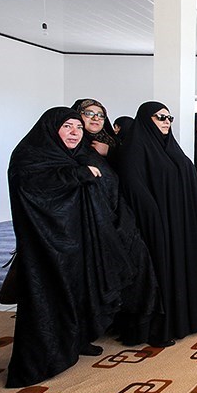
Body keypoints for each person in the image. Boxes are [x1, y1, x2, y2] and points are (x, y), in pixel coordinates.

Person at [6, 107, 139, 387]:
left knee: (79, 290)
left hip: (77, 240)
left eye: (78, 127)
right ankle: (41, 362)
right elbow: (34, 187)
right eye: (67, 126)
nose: (75, 132)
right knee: (48, 297)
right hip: (45, 244)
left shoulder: (73, 156)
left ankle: (76, 342)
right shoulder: (31, 155)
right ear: (51, 128)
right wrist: (77, 175)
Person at [116, 101, 197, 348]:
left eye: (169, 118)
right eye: (160, 117)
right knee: (162, 271)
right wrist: (158, 222)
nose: (166, 122)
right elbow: (135, 190)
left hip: (181, 224)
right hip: (157, 226)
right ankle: (162, 325)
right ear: (145, 119)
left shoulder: (171, 147)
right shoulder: (134, 149)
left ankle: (189, 318)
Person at [72, 98, 162, 346]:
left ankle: (130, 325)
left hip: (119, 216)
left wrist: (111, 152)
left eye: (100, 115)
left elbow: (130, 171)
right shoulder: (71, 146)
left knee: (135, 267)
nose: (95, 119)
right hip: (90, 223)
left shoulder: (110, 143)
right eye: (88, 113)